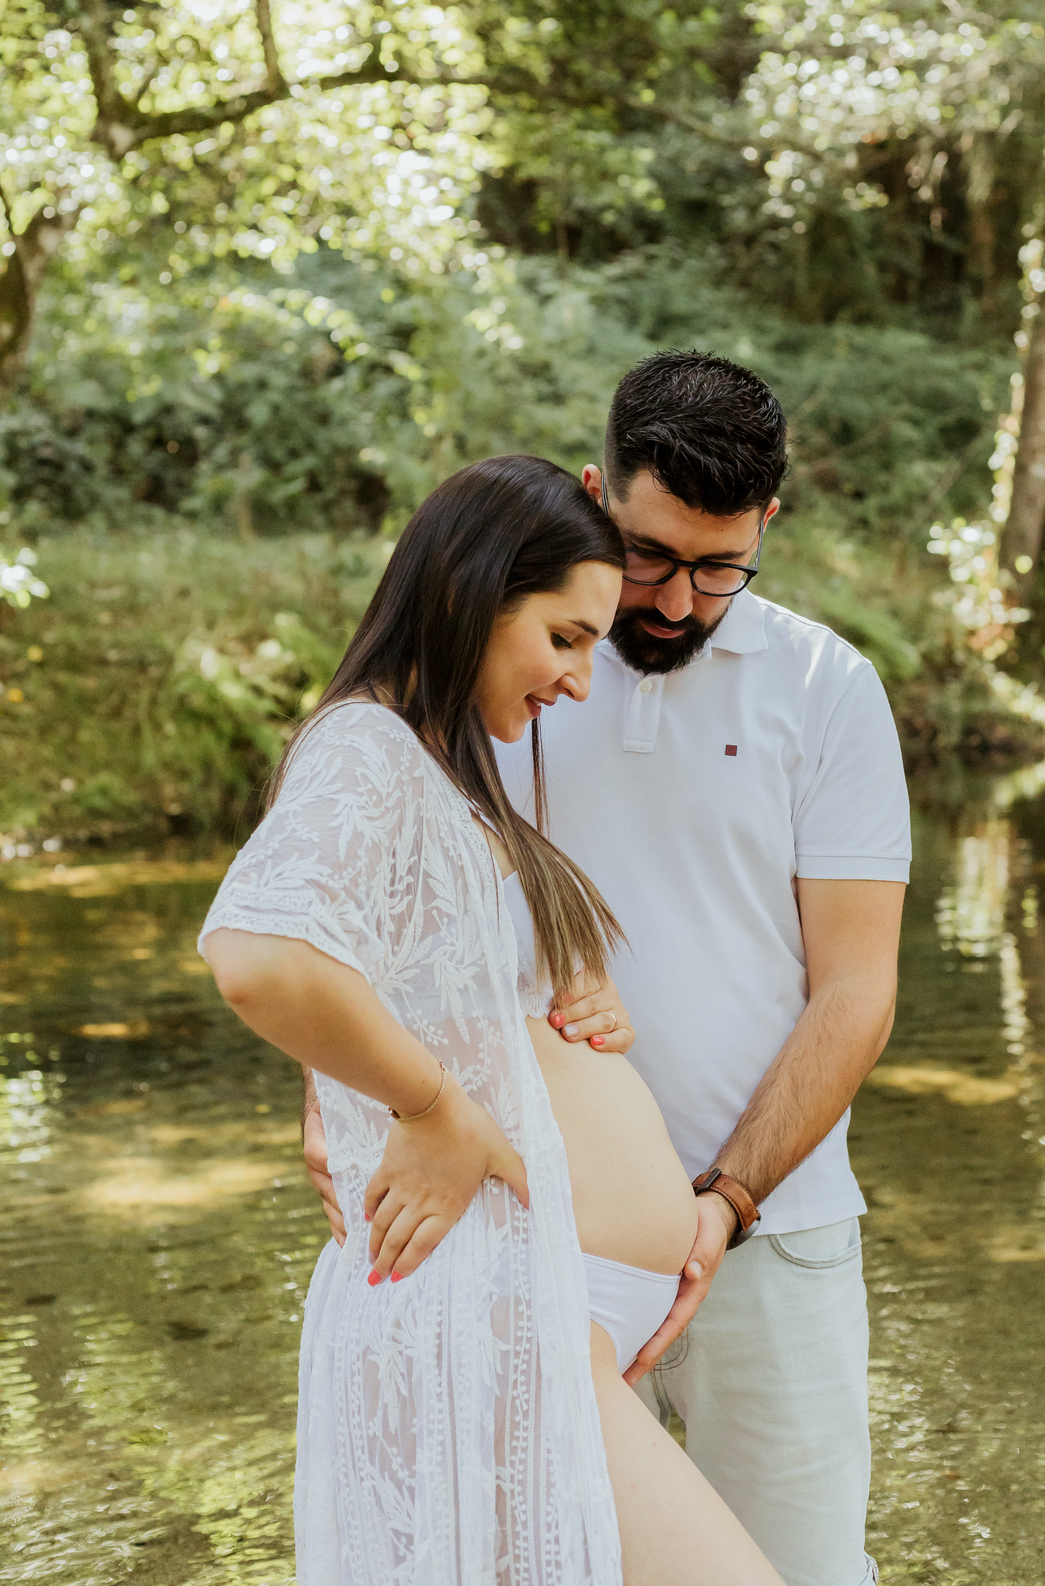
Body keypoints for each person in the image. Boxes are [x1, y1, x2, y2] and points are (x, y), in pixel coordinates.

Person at [305, 352, 910, 1586]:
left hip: (770, 1237)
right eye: (650, 557)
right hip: (512, 1239)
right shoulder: (504, 664)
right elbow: (348, 916)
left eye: (722, 567)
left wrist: (721, 1205)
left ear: (767, 530)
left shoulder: (830, 690)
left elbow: (858, 987)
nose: (682, 602)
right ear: (595, 495)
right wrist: (335, 1099)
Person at [202, 454, 785, 1586]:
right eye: (564, 637)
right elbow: (260, 956)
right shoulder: (367, 748)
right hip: (494, 1313)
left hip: (542, 1311)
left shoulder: (440, 766)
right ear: (474, 587)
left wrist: (561, 993)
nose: (579, 678)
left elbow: (397, 967)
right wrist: (433, 1108)